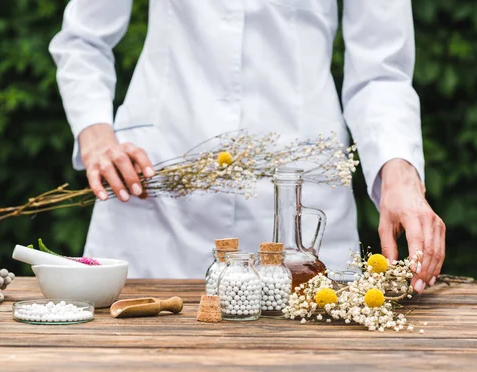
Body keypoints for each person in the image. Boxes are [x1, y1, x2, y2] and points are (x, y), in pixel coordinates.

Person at [49, 1, 445, 292]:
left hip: (300, 195)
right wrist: (96, 135)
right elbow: (83, 39)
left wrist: (399, 172)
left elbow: (381, 73)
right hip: (159, 191)